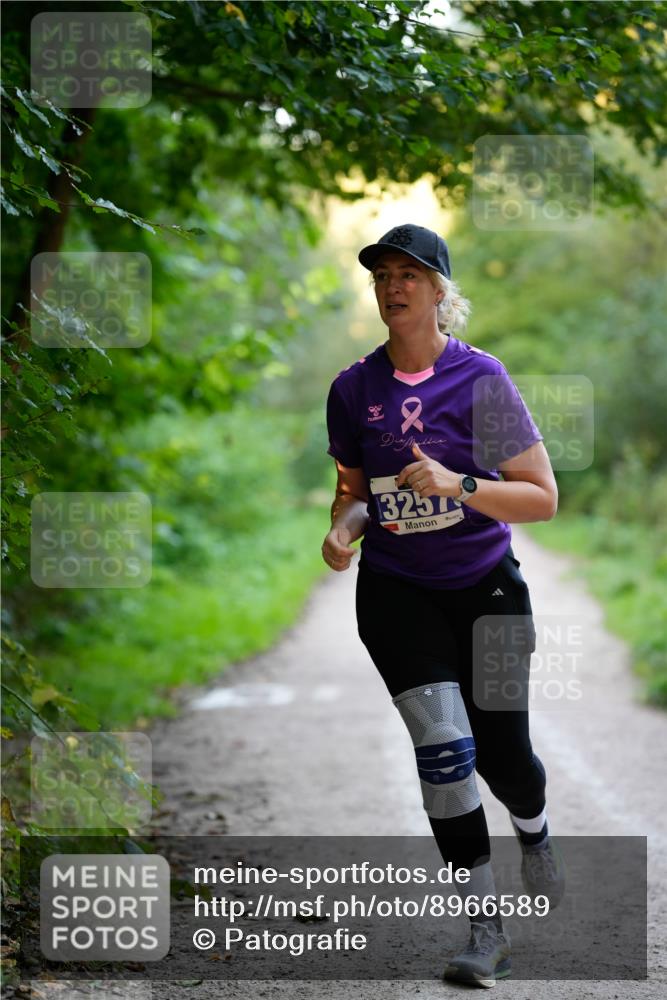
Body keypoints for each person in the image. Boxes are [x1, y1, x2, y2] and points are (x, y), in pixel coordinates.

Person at [321, 224, 565, 988]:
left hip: (487, 590)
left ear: (438, 291)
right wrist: (342, 529)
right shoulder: (352, 390)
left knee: (505, 759)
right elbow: (355, 496)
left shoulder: (479, 380)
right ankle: (484, 929)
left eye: (409, 274)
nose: (392, 287)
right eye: (382, 275)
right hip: (397, 593)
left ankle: (534, 830)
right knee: (445, 754)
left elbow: (540, 499)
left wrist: (458, 483)